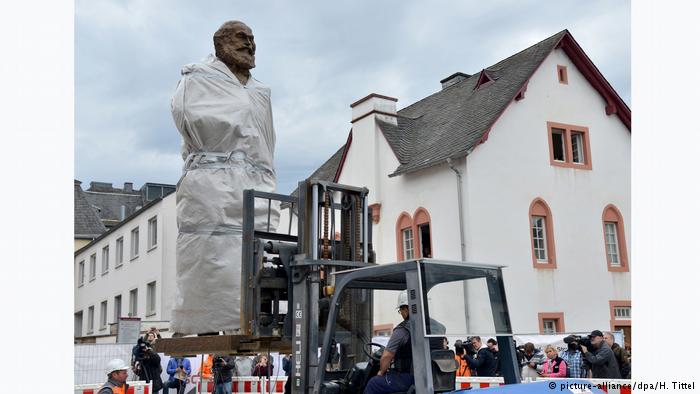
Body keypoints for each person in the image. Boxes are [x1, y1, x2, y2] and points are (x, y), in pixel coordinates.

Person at [170, 20, 280, 335]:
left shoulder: (259, 91)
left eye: (252, 39)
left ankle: (250, 316)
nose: (249, 44)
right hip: (212, 182)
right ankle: (205, 321)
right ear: (220, 44)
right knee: (213, 251)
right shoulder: (200, 77)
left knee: (254, 252)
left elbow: (265, 138)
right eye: (241, 38)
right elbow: (190, 115)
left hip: (255, 182)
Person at [363, 291, 414, 394]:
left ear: (406, 309)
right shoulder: (436, 327)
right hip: (430, 377)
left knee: (374, 383)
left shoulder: (402, 330)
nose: (401, 314)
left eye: (401, 310)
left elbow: (386, 356)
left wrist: (381, 372)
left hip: (408, 377)